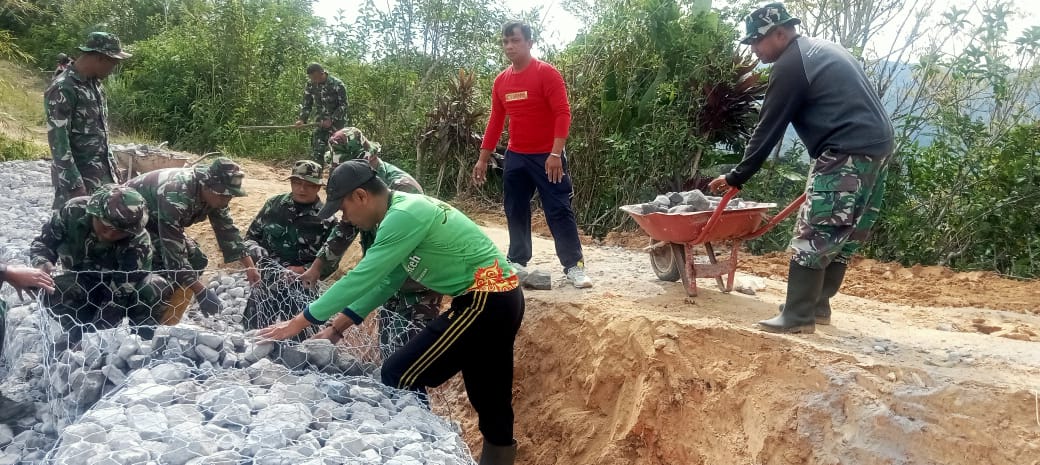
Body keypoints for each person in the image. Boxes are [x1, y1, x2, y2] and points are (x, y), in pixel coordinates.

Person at [259, 160, 524, 465]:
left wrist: (298, 322)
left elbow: (363, 276)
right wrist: (337, 327)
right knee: (489, 396)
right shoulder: (401, 214)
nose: (346, 218)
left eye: (343, 208)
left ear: (361, 196)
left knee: (399, 373)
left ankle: (420, 452)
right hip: (501, 298)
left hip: (485, 299)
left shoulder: (403, 216)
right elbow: (388, 281)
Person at [708, 2, 893, 334]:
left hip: (845, 150)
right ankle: (817, 305)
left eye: (757, 41)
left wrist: (738, 176)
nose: (753, 50)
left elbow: (769, 128)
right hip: (875, 150)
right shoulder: (820, 50)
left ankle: (797, 315)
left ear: (780, 33)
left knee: (817, 229)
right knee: (843, 230)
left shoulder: (791, 63)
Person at [472, 21, 592, 289]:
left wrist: (556, 153)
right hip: (516, 155)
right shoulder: (501, 81)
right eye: (505, 41)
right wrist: (483, 158)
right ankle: (517, 261)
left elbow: (563, 113)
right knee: (514, 207)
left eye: (514, 40)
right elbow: (495, 121)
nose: (509, 46)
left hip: (547, 156)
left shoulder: (546, 74)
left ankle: (575, 266)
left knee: (558, 209)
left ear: (529, 42)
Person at [327, 127, 441, 355]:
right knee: (389, 351)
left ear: (369, 158)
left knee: (408, 360)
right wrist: (318, 267)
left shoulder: (402, 188)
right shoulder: (355, 189)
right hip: (387, 284)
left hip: (415, 285)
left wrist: (335, 327)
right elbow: (346, 226)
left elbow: (397, 261)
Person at [125, 157, 261, 325]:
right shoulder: (176, 195)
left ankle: (168, 319)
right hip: (129, 224)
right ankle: (143, 319)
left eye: (231, 195)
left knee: (197, 259)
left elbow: (227, 230)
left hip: (159, 223)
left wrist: (250, 267)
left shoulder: (216, 197)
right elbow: (174, 253)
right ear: (206, 185)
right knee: (158, 272)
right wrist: (201, 291)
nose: (227, 200)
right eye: (224, 194)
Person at [30, 184, 169, 343]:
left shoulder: (138, 241)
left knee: (153, 286)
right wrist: (42, 264)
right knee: (53, 289)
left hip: (121, 293)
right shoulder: (73, 211)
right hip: (83, 284)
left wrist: (94, 341)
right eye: (106, 226)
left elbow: (118, 299)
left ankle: (142, 345)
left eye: (120, 232)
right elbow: (43, 243)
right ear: (94, 214)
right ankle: (75, 335)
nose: (110, 234)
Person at [241, 160, 356, 332]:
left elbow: (330, 261)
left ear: (318, 187)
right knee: (251, 336)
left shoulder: (327, 219)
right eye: (297, 183)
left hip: (301, 291)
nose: (302, 189)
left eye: (309, 185)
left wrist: (302, 270)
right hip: (266, 285)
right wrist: (256, 252)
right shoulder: (273, 206)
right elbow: (250, 238)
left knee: (300, 344)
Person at [45, 32, 131, 210]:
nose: (113, 69)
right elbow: (59, 142)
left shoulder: (95, 85)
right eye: (113, 63)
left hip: (103, 177)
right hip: (79, 180)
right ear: (100, 57)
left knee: (107, 231)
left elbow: (101, 134)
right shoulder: (63, 87)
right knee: (77, 231)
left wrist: (113, 170)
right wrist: (74, 185)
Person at [294, 63, 349, 166]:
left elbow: (344, 106)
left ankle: (336, 178)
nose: (313, 80)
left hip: (337, 125)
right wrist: (302, 119)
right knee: (317, 151)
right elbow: (307, 104)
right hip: (320, 123)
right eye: (311, 78)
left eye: (315, 77)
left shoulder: (337, 84)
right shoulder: (311, 85)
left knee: (337, 153)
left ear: (322, 73)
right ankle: (315, 176)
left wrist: (331, 120)